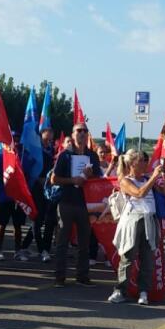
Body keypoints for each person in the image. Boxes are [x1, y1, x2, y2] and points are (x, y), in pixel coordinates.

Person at [108, 150, 165, 305]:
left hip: (150, 219)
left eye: (146, 160)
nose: (146, 163)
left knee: (147, 259)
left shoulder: (148, 179)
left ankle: (143, 291)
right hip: (133, 220)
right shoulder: (125, 180)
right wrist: (154, 177)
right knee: (128, 257)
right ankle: (120, 290)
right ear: (133, 163)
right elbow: (139, 193)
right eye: (142, 160)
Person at [49, 123, 101, 287]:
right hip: (66, 202)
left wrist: (90, 176)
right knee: (62, 241)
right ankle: (59, 277)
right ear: (73, 134)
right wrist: (74, 180)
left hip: (85, 204)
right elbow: (54, 179)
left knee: (84, 242)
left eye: (85, 131)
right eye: (79, 131)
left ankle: (82, 276)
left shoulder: (93, 156)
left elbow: (99, 180)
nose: (83, 133)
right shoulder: (65, 155)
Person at [22, 127, 59, 263]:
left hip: (47, 187)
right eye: (46, 135)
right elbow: (28, 168)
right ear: (41, 135)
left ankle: (24, 246)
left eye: (51, 136)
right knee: (37, 218)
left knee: (42, 218)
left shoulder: (51, 149)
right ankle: (42, 250)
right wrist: (38, 178)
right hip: (35, 187)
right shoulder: (34, 149)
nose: (49, 138)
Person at [0, 133, 26, 262]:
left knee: (18, 226)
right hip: (5, 195)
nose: (15, 142)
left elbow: (29, 173)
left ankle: (17, 251)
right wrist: (8, 179)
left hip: (19, 196)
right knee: (2, 223)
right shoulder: (0, 156)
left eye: (18, 139)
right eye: (13, 139)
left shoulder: (23, 156)